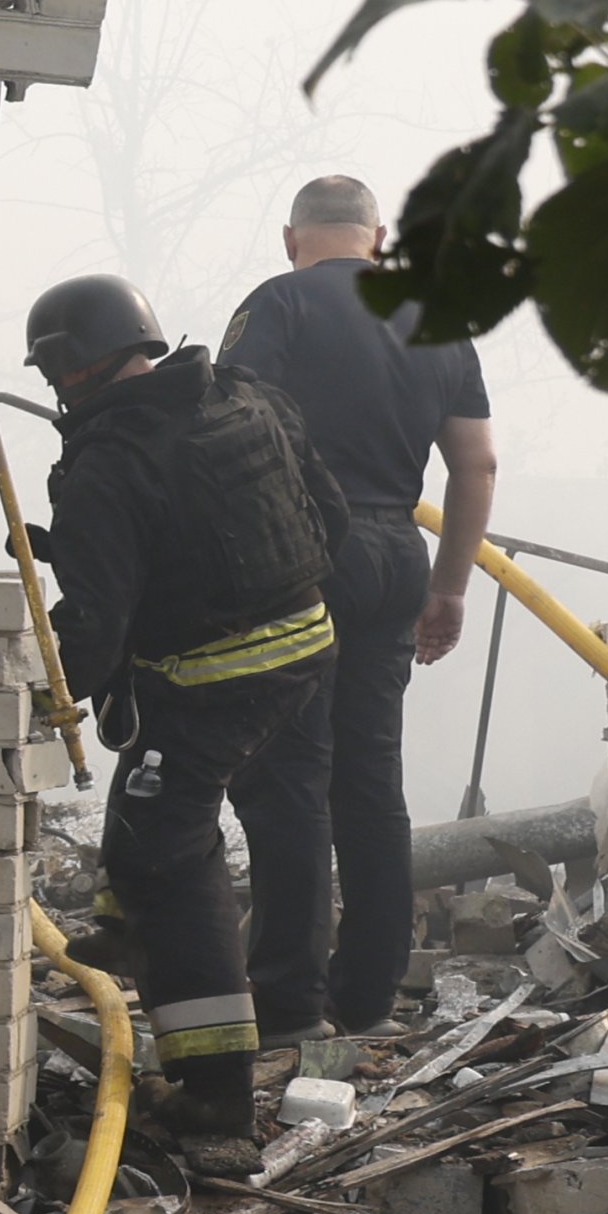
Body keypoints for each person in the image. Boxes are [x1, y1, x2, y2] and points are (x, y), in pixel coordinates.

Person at [27, 273, 348, 1161]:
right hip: (308, 648)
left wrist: (33, 700)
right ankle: (133, 924)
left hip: (216, 683)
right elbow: (330, 518)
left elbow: (91, 629)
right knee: (163, 813)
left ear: (64, 372)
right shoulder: (248, 397)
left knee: (168, 852)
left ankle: (215, 1100)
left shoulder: (104, 465)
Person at [216, 175, 500, 1047]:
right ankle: (369, 994)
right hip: (393, 556)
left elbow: (233, 434)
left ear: (292, 236)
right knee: (370, 781)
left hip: (299, 555)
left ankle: (289, 1003)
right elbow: (476, 463)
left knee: (290, 773)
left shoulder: (277, 304)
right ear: (375, 236)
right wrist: (449, 586)